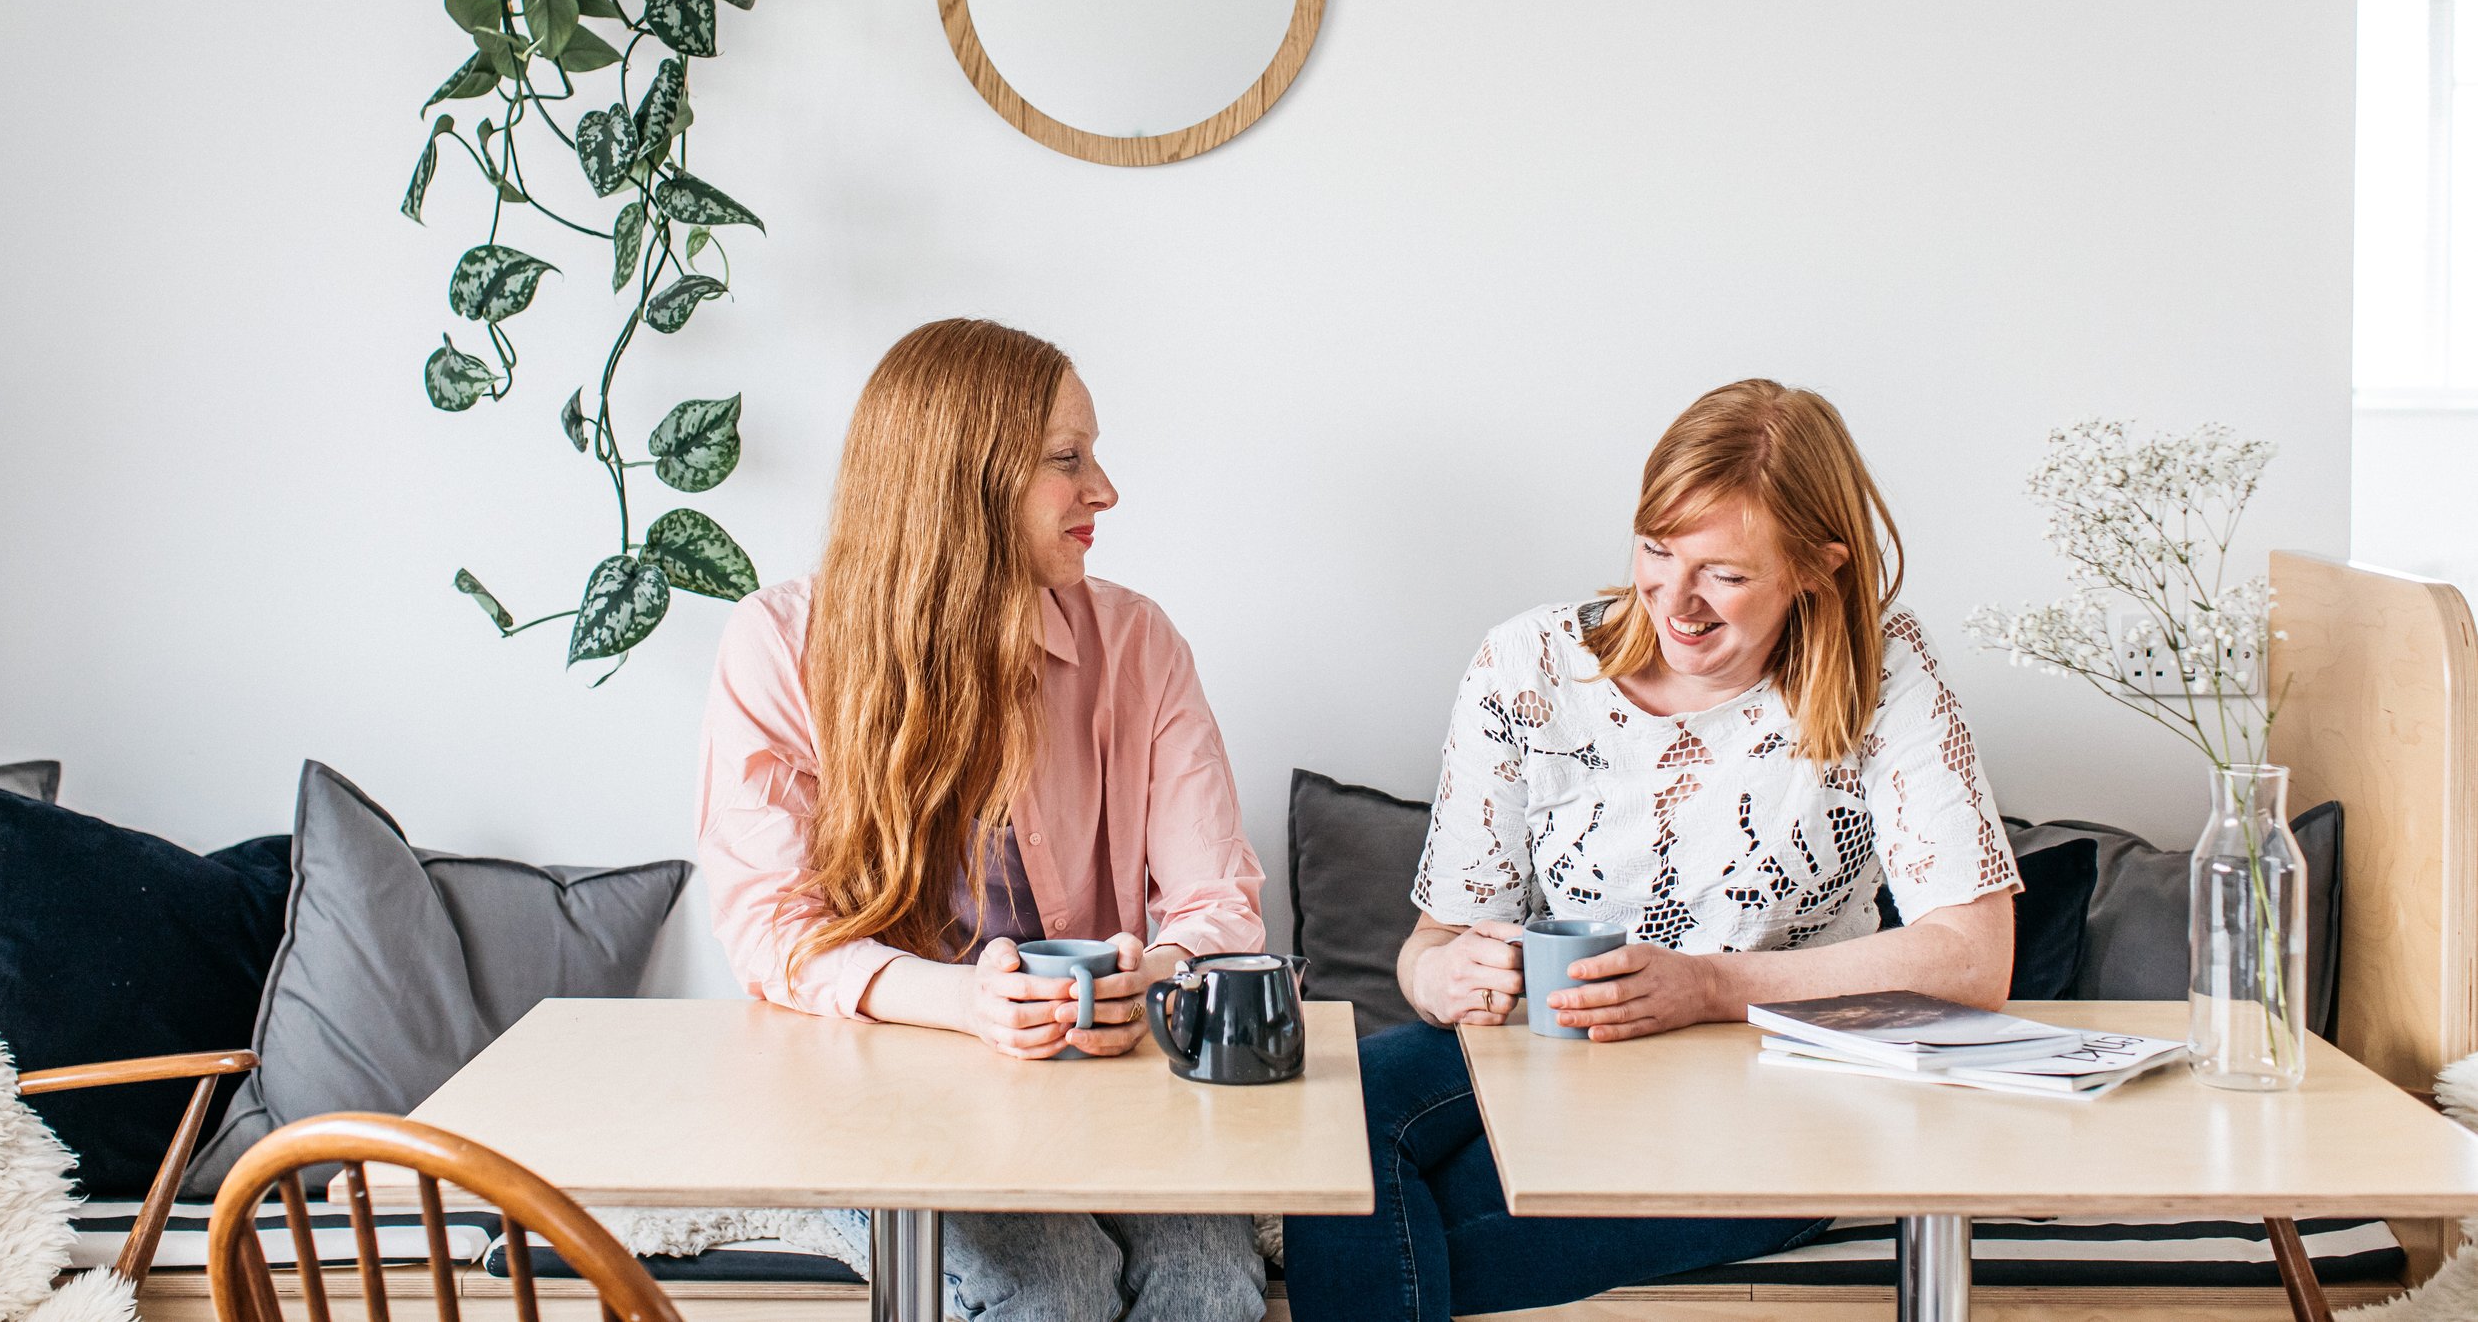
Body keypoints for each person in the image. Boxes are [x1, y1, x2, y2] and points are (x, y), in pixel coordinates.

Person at [1282, 379, 2022, 1322]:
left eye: (1725, 572)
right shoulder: (1531, 666)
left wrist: (1709, 984)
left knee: (1410, 1243)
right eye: (1657, 550)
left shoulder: (1886, 674)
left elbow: (1974, 955)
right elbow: (1432, 946)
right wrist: (1442, 977)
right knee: (1331, 1125)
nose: (1677, 601)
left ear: (1816, 567)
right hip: (1548, 1060)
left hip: (1773, 1087)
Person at [697, 318, 1268, 1322]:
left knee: (1212, 1286)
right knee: (1051, 1286)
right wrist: (963, 1001)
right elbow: (767, 929)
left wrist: (1157, 971)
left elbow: (1217, 902)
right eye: (1067, 459)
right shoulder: (779, 645)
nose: (1105, 489)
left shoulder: (1138, 643)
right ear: (966, 477)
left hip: (1097, 1080)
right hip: (865, 1083)